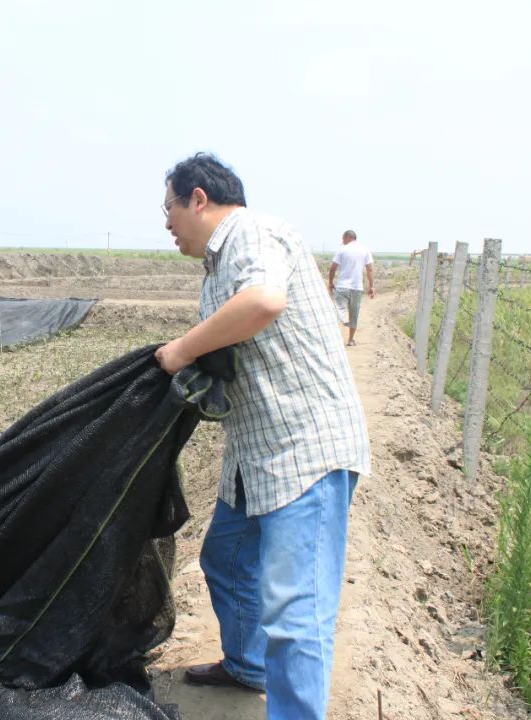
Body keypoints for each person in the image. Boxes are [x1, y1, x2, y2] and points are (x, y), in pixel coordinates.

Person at [154, 153, 370, 720]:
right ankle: (248, 666)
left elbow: (264, 302)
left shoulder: (251, 231)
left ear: (198, 198)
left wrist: (180, 349)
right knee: (225, 557)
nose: (167, 223)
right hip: (257, 452)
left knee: (295, 612)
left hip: (305, 447)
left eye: (169, 208)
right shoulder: (215, 271)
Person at [327, 230, 375, 347]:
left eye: (343, 238)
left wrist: (330, 283)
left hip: (342, 286)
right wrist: (371, 286)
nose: (342, 241)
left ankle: (335, 340)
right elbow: (369, 269)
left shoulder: (342, 249)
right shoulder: (365, 250)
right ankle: (350, 340)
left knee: (339, 312)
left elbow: (333, 268)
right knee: (354, 314)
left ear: (348, 237)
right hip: (357, 288)